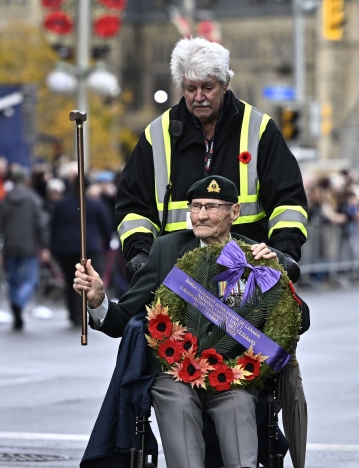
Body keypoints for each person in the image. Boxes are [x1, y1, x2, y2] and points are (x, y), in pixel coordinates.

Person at [74, 176, 310, 468]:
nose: (200, 215)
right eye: (195, 207)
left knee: (238, 400)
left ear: (234, 211)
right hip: (176, 371)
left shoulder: (253, 253)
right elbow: (124, 318)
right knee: (176, 399)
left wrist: (273, 271)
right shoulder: (166, 249)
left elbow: (300, 318)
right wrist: (97, 299)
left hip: (232, 372)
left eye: (211, 207)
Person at [116, 37, 308, 284]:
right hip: (175, 277)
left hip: (247, 274)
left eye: (207, 87)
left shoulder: (259, 129)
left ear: (225, 84)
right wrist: (139, 253)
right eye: (190, 88)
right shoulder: (157, 134)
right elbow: (133, 205)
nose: (198, 97)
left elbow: (288, 200)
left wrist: (285, 252)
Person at [0, 169, 49, 331]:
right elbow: (41, 224)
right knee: (31, 279)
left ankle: (16, 305)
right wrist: (43, 245)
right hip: (29, 245)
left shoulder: (5, 200)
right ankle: (19, 302)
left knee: (13, 280)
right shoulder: (33, 199)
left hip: (10, 245)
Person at [50, 176, 112, 328]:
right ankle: (87, 313)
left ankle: (74, 314)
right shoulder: (96, 205)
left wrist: (53, 248)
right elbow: (106, 226)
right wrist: (107, 246)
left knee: (71, 281)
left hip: (66, 248)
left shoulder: (61, 205)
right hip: (90, 247)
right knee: (89, 282)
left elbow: (53, 227)